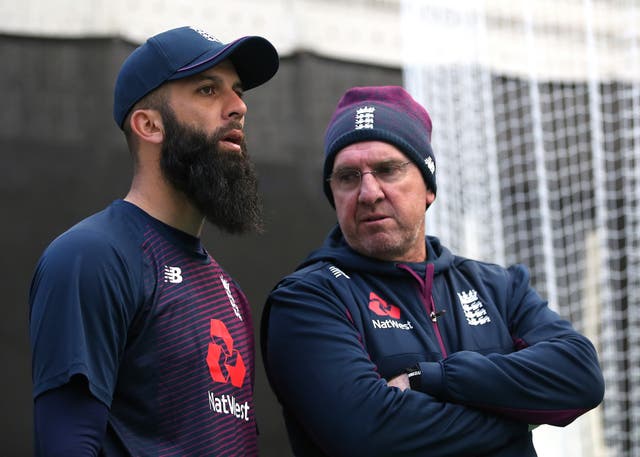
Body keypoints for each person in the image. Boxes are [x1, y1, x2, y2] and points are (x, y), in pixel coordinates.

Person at [261, 86, 605, 457]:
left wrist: (435, 378)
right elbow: (369, 434)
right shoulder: (307, 298)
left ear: (428, 187)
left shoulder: (496, 286)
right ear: (333, 194)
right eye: (347, 177)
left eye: (387, 170)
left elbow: (580, 376)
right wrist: (517, 422)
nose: (368, 192)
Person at [29, 26, 279, 456]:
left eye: (238, 92)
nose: (238, 107)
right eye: (207, 90)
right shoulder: (93, 256)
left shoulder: (231, 295)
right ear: (149, 124)